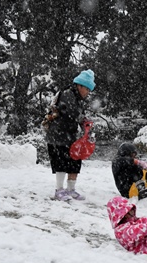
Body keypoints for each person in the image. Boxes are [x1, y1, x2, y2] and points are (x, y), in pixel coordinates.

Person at [44, 69, 96, 202]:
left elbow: (77, 115)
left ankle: (71, 189)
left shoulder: (77, 98)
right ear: (80, 86)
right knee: (61, 161)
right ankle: (59, 190)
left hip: (70, 136)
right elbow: (70, 113)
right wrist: (81, 119)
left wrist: (84, 122)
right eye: (87, 89)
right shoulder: (67, 95)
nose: (88, 93)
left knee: (74, 160)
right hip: (58, 135)